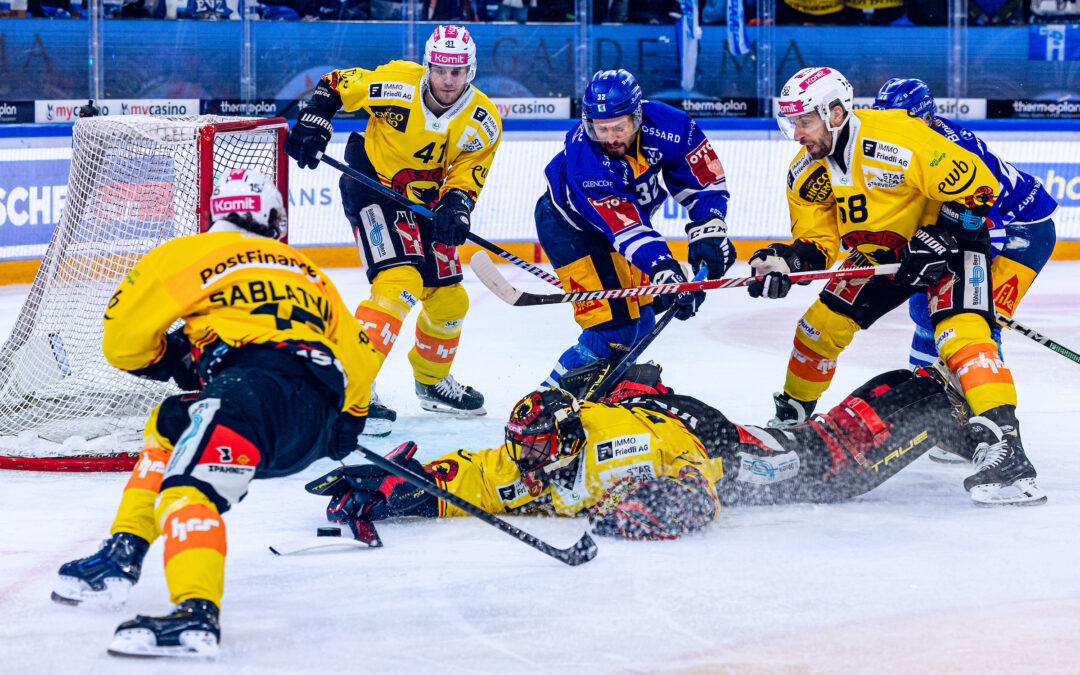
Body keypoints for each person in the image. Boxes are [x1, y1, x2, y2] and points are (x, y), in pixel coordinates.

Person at [50, 170, 382, 658]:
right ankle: (124, 553)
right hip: (312, 418)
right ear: (272, 220)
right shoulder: (307, 270)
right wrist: (347, 422)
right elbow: (358, 361)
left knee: (189, 491)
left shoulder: (188, 253)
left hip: (249, 394)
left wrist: (168, 358)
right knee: (170, 423)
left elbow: (121, 342)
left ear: (217, 214)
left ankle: (194, 616)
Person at [748, 66, 1044, 506]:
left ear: (834, 112)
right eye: (791, 122)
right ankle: (792, 417)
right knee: (819, 326)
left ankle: (1009, 451)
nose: (796, 135)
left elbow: (982, 190)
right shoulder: (805, 173)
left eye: (803, 121)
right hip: (883, 252)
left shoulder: (897, 138)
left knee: (961, 333)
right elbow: (817, 243)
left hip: (952, 244)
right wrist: (784, 261)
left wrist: (943, 236)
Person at [308, 364, 963, 541]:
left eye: (538, 448)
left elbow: (696, 470)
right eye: (523, 449)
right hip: (643, 408)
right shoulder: (527, 458)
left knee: (820, 464)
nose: (527, 463)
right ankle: (932, 397)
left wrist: (679, 501)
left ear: (566, 439)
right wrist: (410, 486)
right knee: (820, 461)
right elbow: (478, 475)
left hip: (700, 436)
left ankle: (936, 401)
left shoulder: (626, 447)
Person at [285, 24, 502, 425]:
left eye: (457, 71)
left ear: (470, 71)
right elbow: (335, 84)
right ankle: (349, 386)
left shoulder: (484, 121)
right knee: (399, 284)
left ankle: (432, 381)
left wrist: (457, 206)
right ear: (428, 66)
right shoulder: (396, 84)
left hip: (426, 204)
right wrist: (316, 119)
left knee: (451, 300)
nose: (448, 80)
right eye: (441, 69)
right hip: (373, 188)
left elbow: (467, 175)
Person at [536, 68, 734, 388]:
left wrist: (709, 227)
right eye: (601, 129)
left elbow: (704, 181)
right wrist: (665, 269)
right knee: (613, 330)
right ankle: (545, 403)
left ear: (637, 116)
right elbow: (626, 229)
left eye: (620, 126)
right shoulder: (585, 159)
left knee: (641, 322)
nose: (611, 138)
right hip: (571, 230)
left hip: (623, 231)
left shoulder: (672, 127)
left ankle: (607, 395)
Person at [872, 78, 1058, 376]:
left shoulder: (957, 151)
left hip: (1022, 232)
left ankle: (988, 408)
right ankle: (924, 394)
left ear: (925, 117)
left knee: (978, 318)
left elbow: (988, 233)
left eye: (899, 119)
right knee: (925, 311)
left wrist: (970, 285)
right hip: (965, 226)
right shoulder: (894, 144)